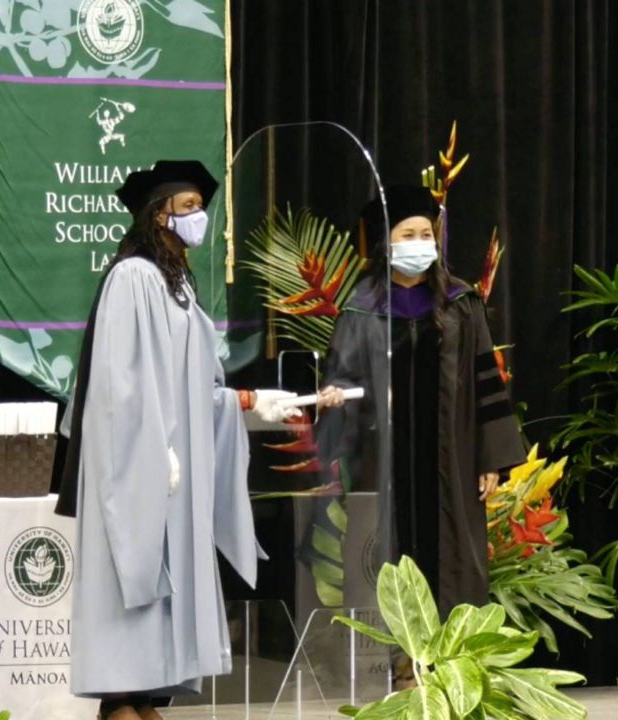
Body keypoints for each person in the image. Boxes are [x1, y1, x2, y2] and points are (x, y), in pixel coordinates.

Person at [56, 160, 295, 720]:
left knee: (167, 585)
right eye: (186, 207)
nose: (197, 217)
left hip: (171, 470)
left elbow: (191, 388)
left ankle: (144, 698)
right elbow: (120, 386)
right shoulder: (133, 277)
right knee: (131, 573)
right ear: (157, 213)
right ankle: (119, 700)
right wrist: (151, 449)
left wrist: (248, 402)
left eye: (198, 206)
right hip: (137, 465)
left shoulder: (178, 284)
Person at [315, 184, 525, 614]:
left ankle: (450, 660)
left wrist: (490, 457)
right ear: (385, 243)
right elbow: (340, 381)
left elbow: (487, 380)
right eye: (407, 235)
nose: (419, 243)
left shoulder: (460, 303)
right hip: (382, 463)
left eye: (425, 234)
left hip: (453, 460)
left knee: (451, 558)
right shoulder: (362, 309)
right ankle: (393, 663)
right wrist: (333, 401)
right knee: (384, 551)